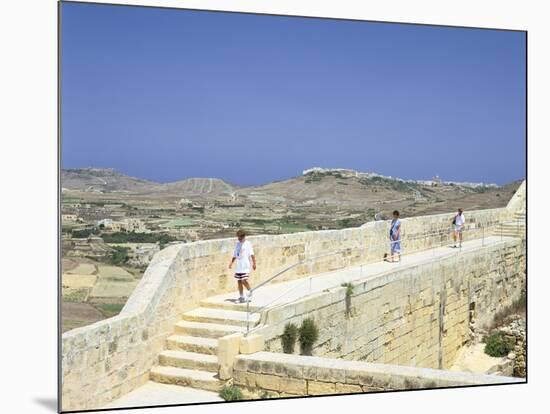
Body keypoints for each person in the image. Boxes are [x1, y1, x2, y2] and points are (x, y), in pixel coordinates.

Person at [228, 229, 256, 303]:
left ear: (243, 236)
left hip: (245, 265)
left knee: (244, 280)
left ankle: (250, 291)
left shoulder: (248, 244)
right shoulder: (238, 244)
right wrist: (231, 262)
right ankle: (241, 296)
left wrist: (254, 263)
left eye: (240, 237)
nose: (238, 239)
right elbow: (235, 254)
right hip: (239, 265)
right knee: (239, 281)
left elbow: (252, 254)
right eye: (238, 237)